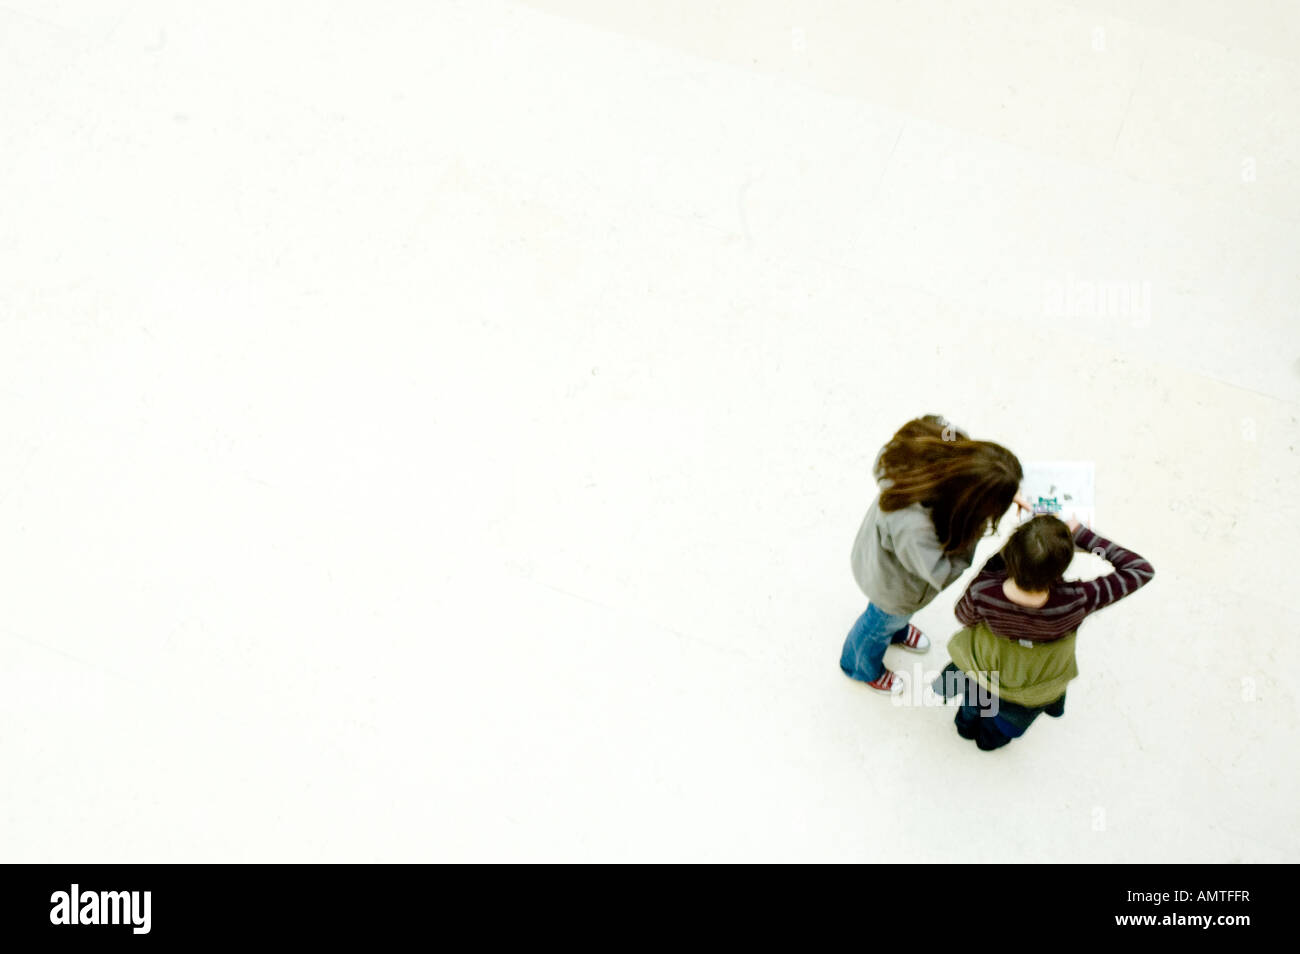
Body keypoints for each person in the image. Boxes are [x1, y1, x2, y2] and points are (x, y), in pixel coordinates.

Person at [934, 513, 1155, 749]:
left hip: (983, 673)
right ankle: (988, 741)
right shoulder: (1078, 599)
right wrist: (1083, 535)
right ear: (1063, 566)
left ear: (1010, 555)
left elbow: (963, 616)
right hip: (1031, 688)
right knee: (1000, 727)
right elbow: (1140, 570)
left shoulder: (984, 591)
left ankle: (965, 728)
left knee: (972, 704)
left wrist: (1002, 558)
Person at [842, 414, 1027, 694]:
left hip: (882, 560)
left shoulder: (937, 447)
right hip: (892, 589)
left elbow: (947, 431)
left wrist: (998, 485)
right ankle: (859, 666)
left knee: (888, 621)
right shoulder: (915, 528)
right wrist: (975, 528)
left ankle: (897, 630)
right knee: (877, 624)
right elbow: (942, 571)